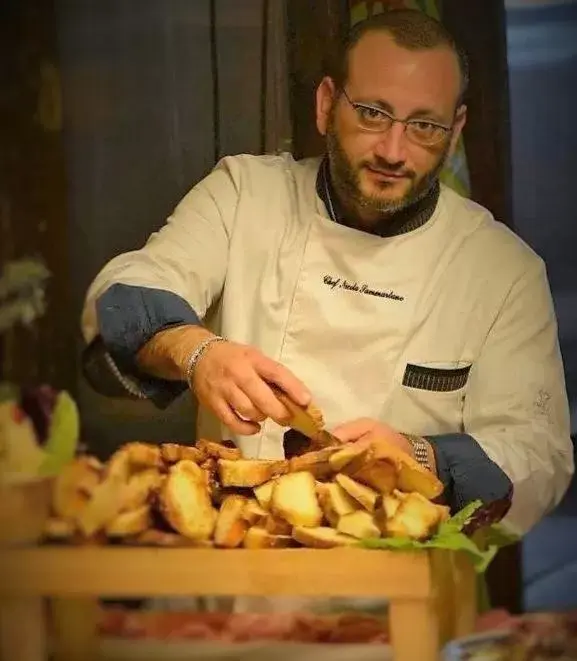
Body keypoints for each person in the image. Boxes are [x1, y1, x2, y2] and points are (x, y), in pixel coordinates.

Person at [81, 8, 573, 537]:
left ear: (454, 132)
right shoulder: (244, 194)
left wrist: (421, 457)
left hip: (398, 597)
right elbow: (125, 294)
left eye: (424, 126)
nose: (393, 150)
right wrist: (198, 351)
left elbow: (538, 454)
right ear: (325, 105)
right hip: (231, 582)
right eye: (372, 113)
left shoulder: (505, 270)